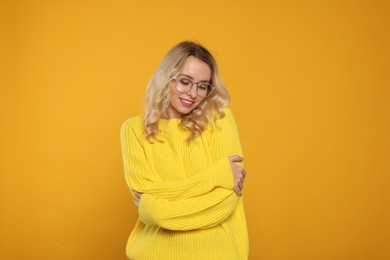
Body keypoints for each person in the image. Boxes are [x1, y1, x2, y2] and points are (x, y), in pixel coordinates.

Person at [120, 41, 248, 259]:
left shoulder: (219, 118)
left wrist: (155, 210)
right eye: (185, 82)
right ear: (166, 79)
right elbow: (146, 194)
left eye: (202, 86)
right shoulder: (133, 131)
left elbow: (225, 202)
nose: (192, 93)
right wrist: (216, 176)